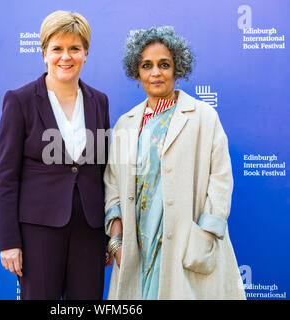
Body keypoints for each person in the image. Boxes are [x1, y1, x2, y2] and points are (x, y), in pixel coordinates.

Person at [104, 26, 246, 299]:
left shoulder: (203, 117)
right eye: (147, 65)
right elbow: (112, 185)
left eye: (164, 65)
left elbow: (220, 180)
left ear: (177, 69)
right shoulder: (126, 124)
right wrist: (117, 240)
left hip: (187, 245)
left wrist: (204, 236)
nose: (155, 73)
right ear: (137, 73)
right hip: (137, 249)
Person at [0, 10, 110, 300]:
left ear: (85, 54)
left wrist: (110, 234)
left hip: (90, 231)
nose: (65, 57)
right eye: (57, 48)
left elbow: (103, 170)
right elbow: (7, 176)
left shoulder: (99, 101)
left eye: (75, 48)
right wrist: (9, 241)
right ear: (44, 52)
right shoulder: (20, 100)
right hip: (38, 232)